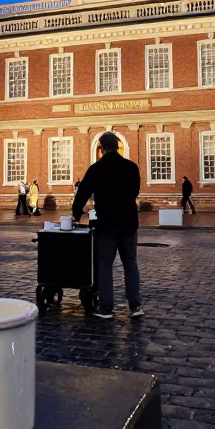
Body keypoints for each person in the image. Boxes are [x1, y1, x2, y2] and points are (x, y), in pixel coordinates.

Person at [71, 131, 143, 320]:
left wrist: (76, 212)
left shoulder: (96, 169)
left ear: (101, 149)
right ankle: (135, 306)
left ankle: (106, 309)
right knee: (131, 264)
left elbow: (82, 193)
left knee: (105, 266)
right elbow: (135, 191)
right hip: (128, 223)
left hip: (106, 224)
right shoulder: (131, 167)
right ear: (118, 146)